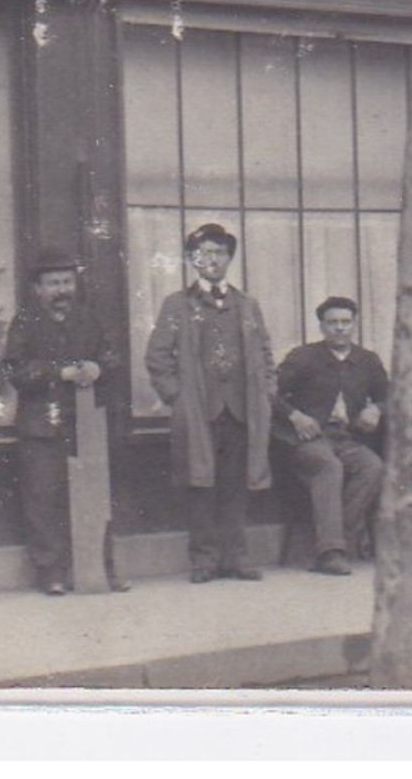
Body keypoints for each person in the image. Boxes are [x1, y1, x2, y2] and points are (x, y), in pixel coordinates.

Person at [146, 223, 277, 584]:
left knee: (236, 485)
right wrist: (179, 397)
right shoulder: (177, 305)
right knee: (199, 484)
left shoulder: (248, 305)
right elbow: (157, 358)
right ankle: (204, 560)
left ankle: (236, 558)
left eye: (219, 252)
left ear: (229, 258)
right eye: (204, 252)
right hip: (198, 412)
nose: (212, 259)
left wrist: (265, 392)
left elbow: (266, 354)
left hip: (241, 411)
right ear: (192, 259)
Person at [0, 247, 118, 595]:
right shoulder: (24, 322)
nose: (62, 290)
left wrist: (100, 366)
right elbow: (13, 370)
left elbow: (111, 355)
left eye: (67, 282)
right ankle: (51, 573)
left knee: (95, 496)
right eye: (53, 284)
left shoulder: (89, 319)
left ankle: (102, 569)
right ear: (38, 289)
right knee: (43, 501)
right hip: (42, 425)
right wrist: (58, 372)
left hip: (86, 423)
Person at [274, 296, 388, 577]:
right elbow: (269, 393)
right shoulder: (303, 357)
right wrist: (295, 416)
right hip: (308, 440)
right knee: (328, 466)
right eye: (333, 323)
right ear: (322, 327)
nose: (340, 328)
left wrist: (376, 408)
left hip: (347, 439)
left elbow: (389, 395)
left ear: (354, 325)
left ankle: (328, 543)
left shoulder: (367, 360)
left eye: (345, 322)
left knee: (373, 467)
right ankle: (331, 553)